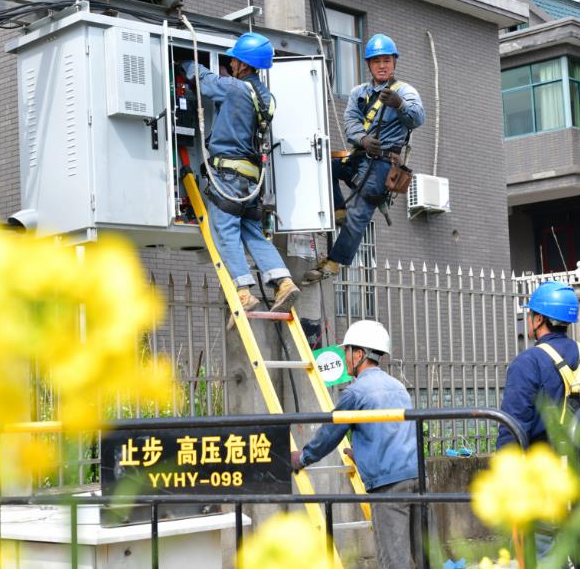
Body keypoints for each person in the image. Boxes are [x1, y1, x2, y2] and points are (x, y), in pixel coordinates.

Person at [180, 32, 299, 314]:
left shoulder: (234, 88)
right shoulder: (266, 97)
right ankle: (283, 281)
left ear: (244, 65)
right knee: (253, 233)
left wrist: (185, 63)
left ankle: (243, 292)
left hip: (228, 177)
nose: (231, 64)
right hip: (252, 181)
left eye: (234, 61)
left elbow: (206, 83)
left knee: (225, 230)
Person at [497, 281, 580, 568]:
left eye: (531, 316)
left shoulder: (528, 363)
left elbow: (512, 427)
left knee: (547, 553)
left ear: (538, 319)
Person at [290, 320, 421, 569]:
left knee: (394, 560)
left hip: (388, 485)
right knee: (425, 553)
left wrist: (303, 458)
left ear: (359, 354)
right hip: (417, 477)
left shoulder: (355, 392)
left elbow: (330, 434)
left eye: (347, 351)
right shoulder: (399, 388)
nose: (344, 356)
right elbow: (396, 433)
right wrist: (361, 453)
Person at [304, 34, 425, 283]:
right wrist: (362, 138)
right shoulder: (359, 92)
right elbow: (349, 122)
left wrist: (400, 104)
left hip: (383, 163)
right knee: (325, 166)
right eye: (377, 61)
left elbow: (418, 118)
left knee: (359, 211)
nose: (382, 65)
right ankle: (339, 211)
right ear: (368, 64)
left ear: (394, 63)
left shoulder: (404, 91)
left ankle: (334, 262)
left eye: (387, 61)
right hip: (361, 154)